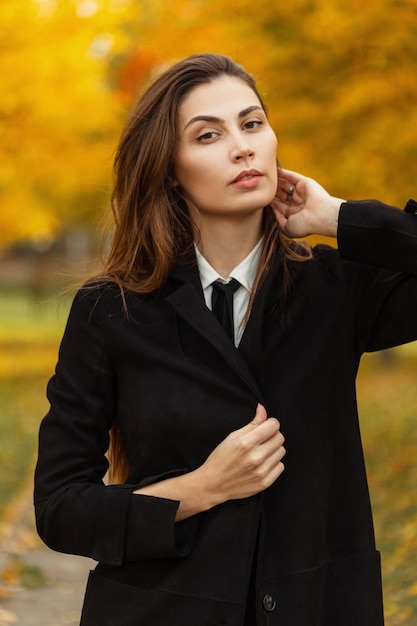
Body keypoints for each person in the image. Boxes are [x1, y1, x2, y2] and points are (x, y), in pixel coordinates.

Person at [34, 53, 417, 626]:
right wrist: (199, 489)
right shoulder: (110, 311)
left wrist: (337, 216)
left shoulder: (335, 290)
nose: (243, 146)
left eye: (253, 123)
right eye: (209, 134)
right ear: (169, 168)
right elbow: (61, 508)